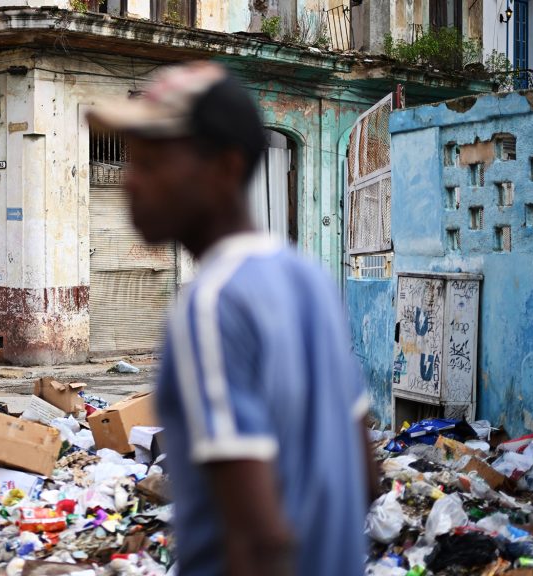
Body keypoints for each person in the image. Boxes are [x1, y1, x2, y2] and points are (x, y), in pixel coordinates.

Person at [89, 61, 375, 576]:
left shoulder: (210, 305)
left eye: (151, 163)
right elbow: (366, 475)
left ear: (223, 168)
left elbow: (260, 541)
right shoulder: (305, 276)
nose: (129, 182)